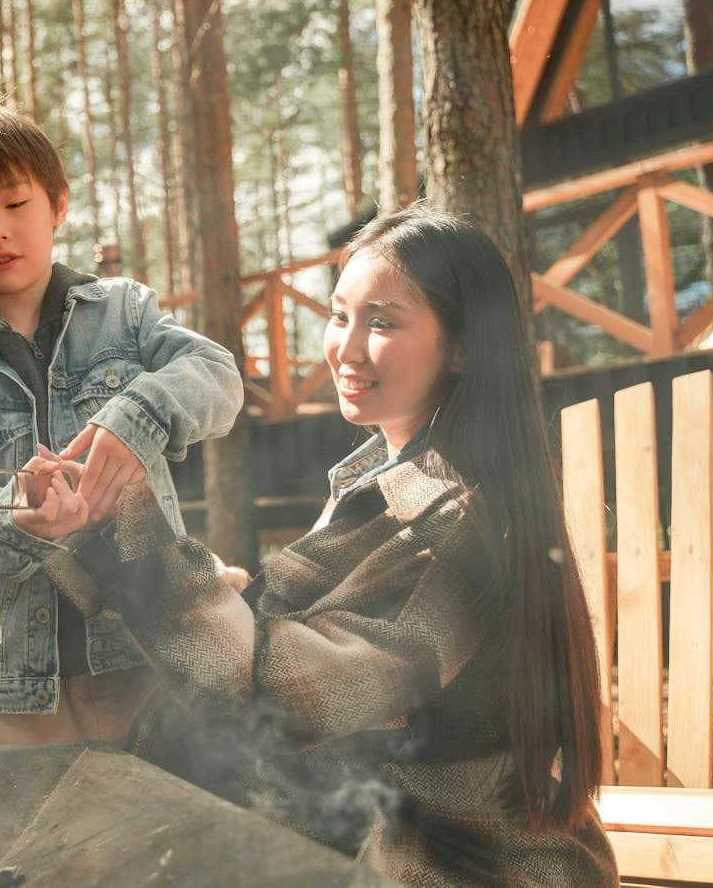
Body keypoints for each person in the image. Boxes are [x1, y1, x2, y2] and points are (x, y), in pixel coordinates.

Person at [41, 207, 616, 885]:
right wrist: (104, 525)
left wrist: (120, 518)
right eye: (340, 315)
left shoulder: (450, 525)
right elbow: (317, 649)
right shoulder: (379, 480)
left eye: (383, 322)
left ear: (461, 347)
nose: (344, 347)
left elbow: (280, 697)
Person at [0, 103, 244, 750]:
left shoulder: (123, 311)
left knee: (158, 839)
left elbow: (219, 376)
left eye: (15, 204)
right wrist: (16, 514)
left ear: (58, 205)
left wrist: (139, 416)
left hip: (144, 660)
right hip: (11, 693)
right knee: (24, 852)